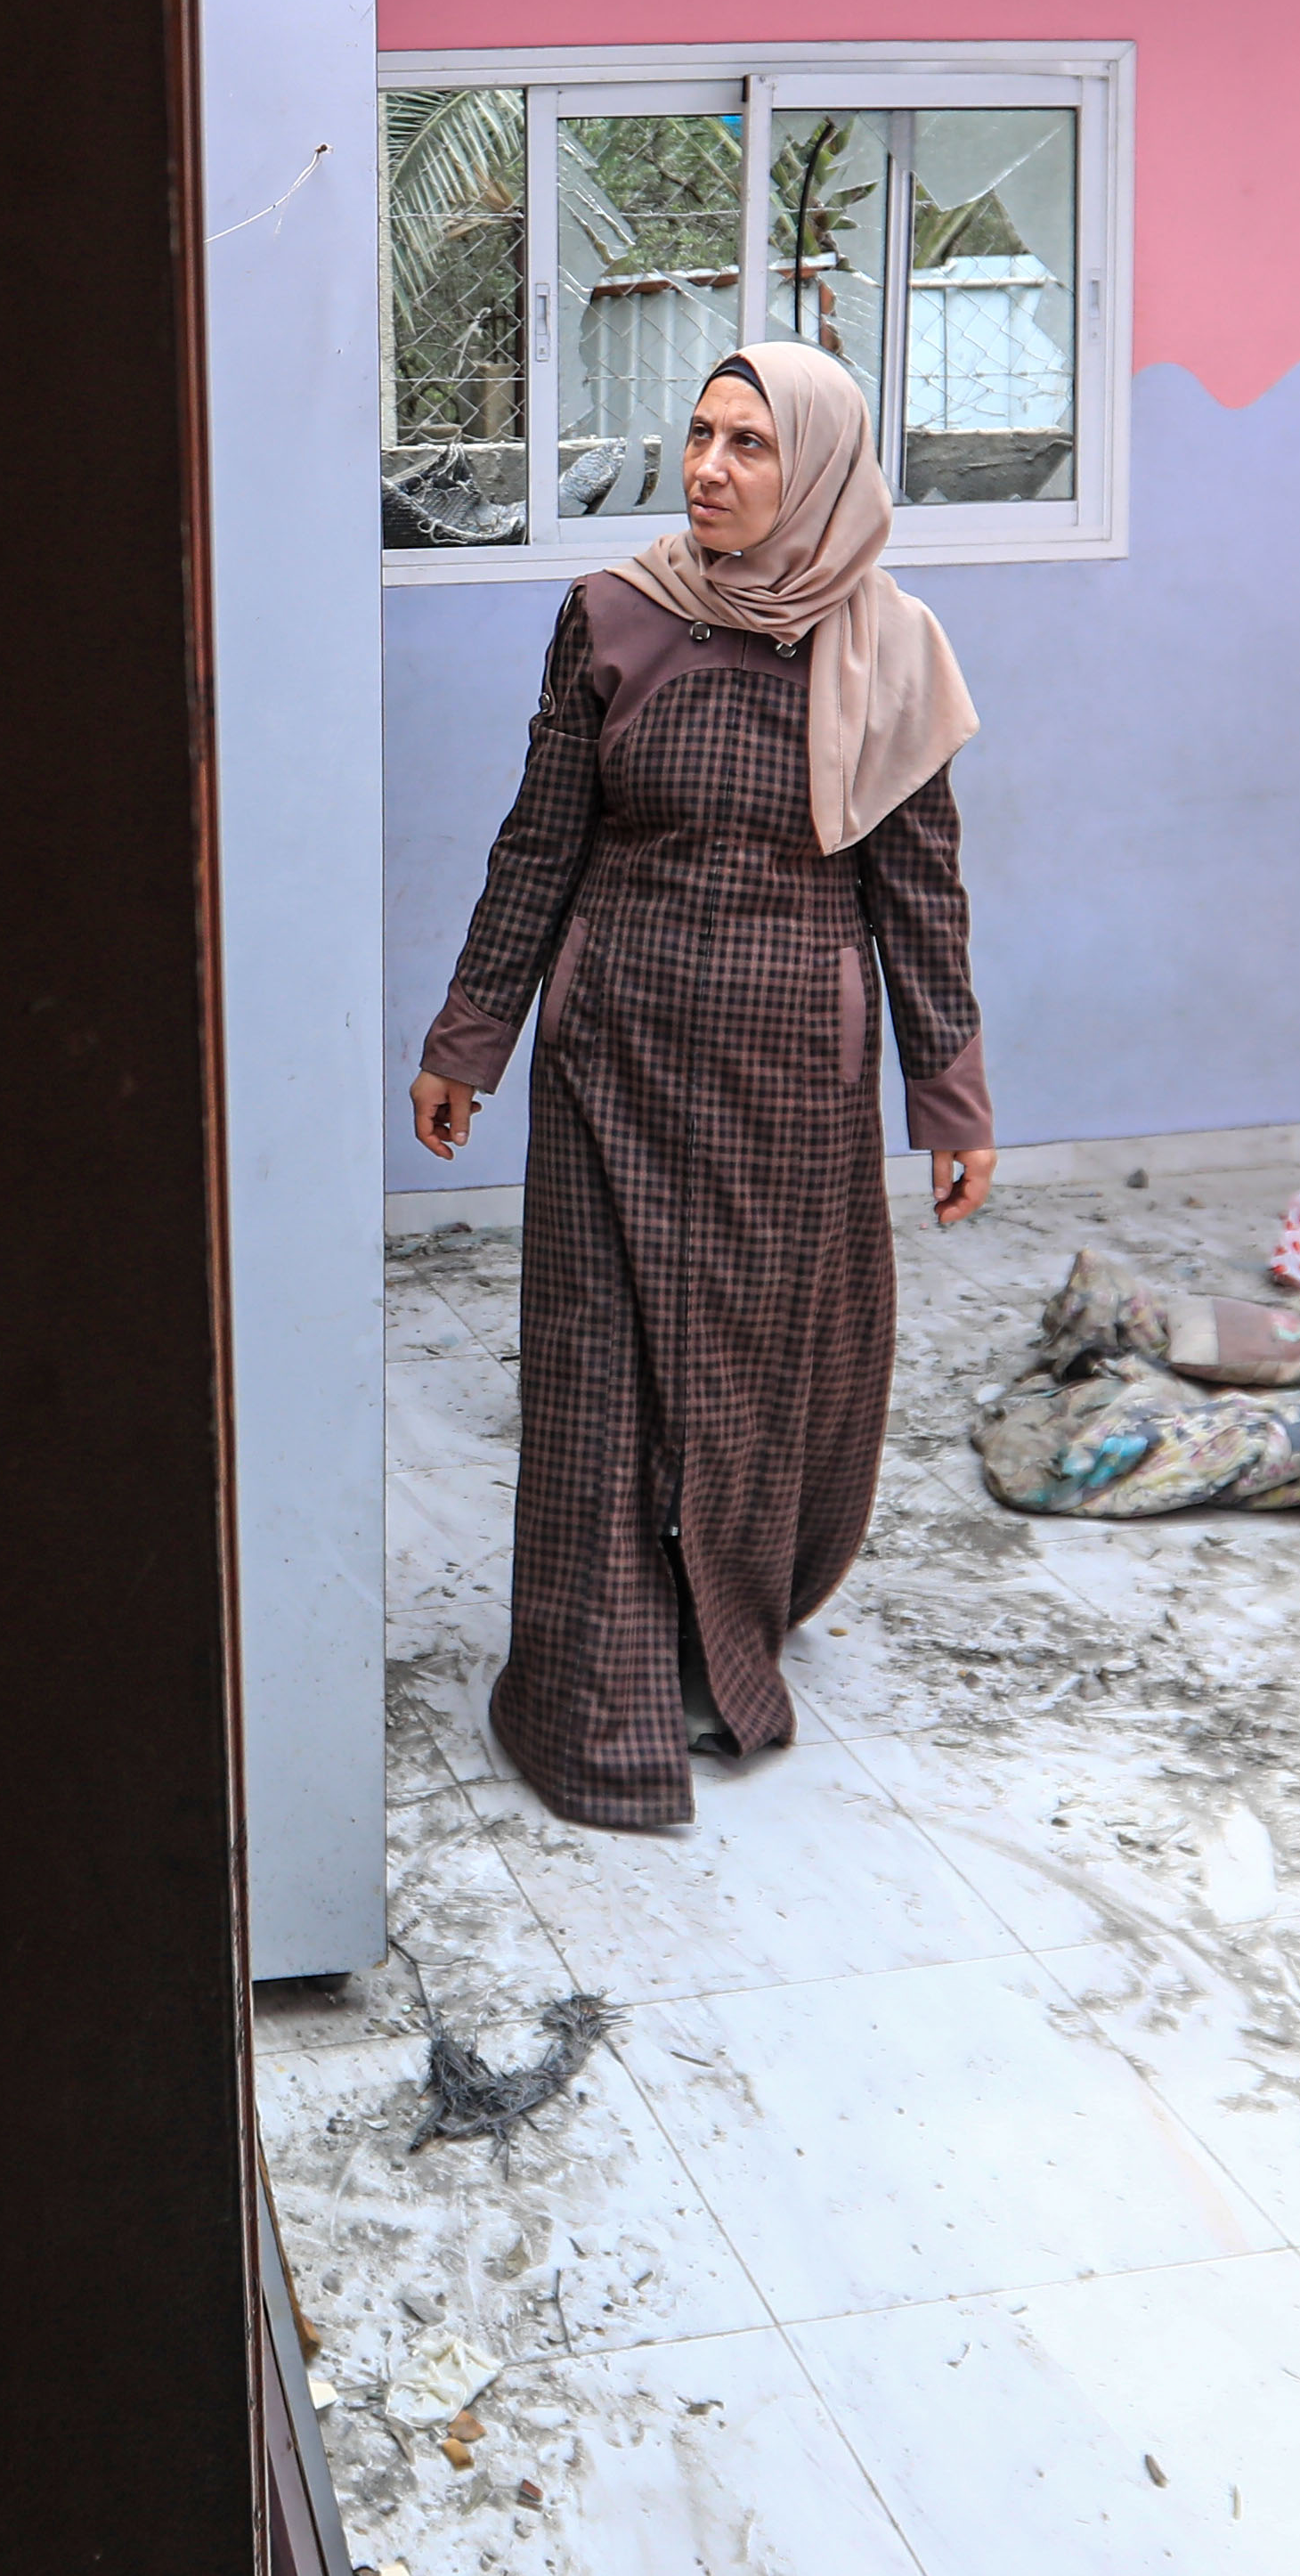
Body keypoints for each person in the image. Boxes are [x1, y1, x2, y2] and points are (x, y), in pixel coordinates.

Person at [409, 341, 994, 1830]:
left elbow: (920, 896)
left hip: (794, 1077)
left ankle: (726, 1620)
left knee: (758, 1373)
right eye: (699, 434)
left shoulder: (895, 649)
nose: (710, 469)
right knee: (598, 1372)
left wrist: (951, 1100)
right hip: (612, 1049)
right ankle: (591, 1705)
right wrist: (470, 1036)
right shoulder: (612, 614)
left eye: (752, 445)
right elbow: (540, 840)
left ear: (822, 471)